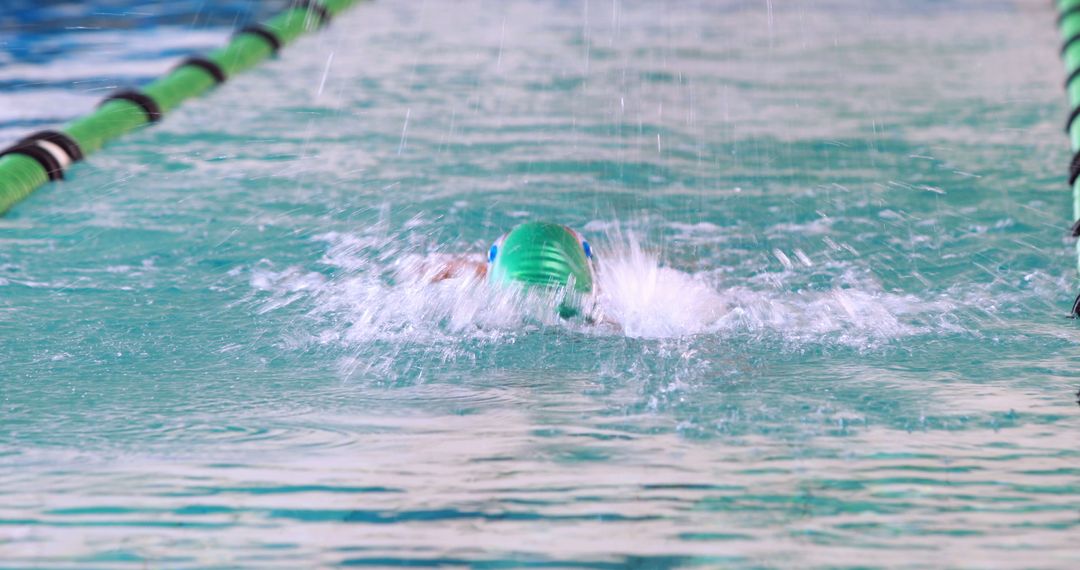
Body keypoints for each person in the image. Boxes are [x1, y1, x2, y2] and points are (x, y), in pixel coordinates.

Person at [427, 221, 596, 317]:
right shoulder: (605, 282)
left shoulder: (481, 272)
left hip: (506, 274)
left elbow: (437, 269)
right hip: (575, 285)